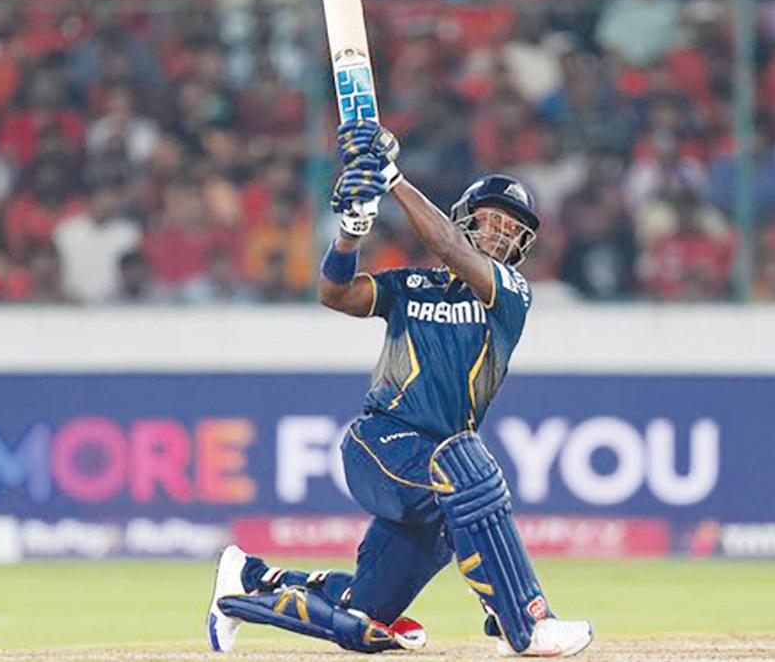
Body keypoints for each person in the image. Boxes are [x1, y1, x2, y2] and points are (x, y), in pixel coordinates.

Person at [206, 120, 594, 657]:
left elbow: (450, 247)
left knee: (364, 614)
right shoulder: (411, 285)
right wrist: (350, 233)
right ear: (466, 216)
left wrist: (391, 177)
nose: (502, 233)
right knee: (467, 469)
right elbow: (335, 293)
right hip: (382, 443)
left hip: (438, 471)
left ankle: (247, 581)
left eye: (514, 228)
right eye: (493, 219)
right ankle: (526, 622)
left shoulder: (510, 294)